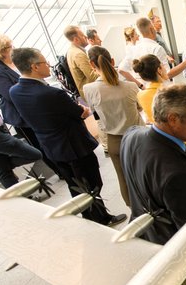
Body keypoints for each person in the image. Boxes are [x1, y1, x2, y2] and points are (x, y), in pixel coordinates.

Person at [10, 47, 126, 226]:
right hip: (74, 146)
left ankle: (89, 216)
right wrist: (84, 110)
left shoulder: (15, 91)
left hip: (50, 146)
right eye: (44, 62)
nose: (48, 65)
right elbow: (79, 112)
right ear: (34, 66)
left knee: (75, 185)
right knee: (91, 183)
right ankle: (99, 219)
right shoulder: (51, 93)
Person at [121, 85, 186, 244]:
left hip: (146, 235)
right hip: (169, 246)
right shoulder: (178, 175)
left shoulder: (131, 135)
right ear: (173, 119)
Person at [84, 46, 144, 206]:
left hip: (114, 141)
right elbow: (139, 108)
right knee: (145, 175)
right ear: (112, 61)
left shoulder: (89, 90)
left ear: (91, 64)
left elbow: (96, 114)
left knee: (123, 179)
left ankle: (136, 213)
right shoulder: (131, 86)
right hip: (138, 137)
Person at [0, 34, 60, 178]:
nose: (13, 49)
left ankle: (61, 165)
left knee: (48, 140)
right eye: (9, 47)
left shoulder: (17, 63)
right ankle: (59, 171)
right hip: (20, 115)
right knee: (38, 145)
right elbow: (9, 94)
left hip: (35, 108)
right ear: (1, 51)